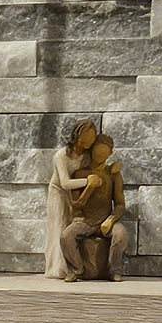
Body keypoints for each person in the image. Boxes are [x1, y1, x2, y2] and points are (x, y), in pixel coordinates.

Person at [60, 133, 129, 282]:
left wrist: (111, 220)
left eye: (104, 153)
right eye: (97, 151)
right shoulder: (80, 173)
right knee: (66, 236)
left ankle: (114, 269)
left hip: (105, 220)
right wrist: (89, 186)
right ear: (91, 150)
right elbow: (76, 203)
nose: (100, 155)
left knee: (121, 234)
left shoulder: (113, 174)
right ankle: (76, 269)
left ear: (110, 154)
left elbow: (120, 204)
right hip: (86, 220)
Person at [43, 119, 97, 281]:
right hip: (59, 192)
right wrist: (89, 181)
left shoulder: (88, 155)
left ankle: (73, 265)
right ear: (76, 135)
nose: (88, 142)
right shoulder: (62, 156)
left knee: (70, 228)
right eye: (85, 137)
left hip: (76, 194)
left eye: (91, 138)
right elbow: (65, 183)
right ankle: (57, 267)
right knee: (58, 227)